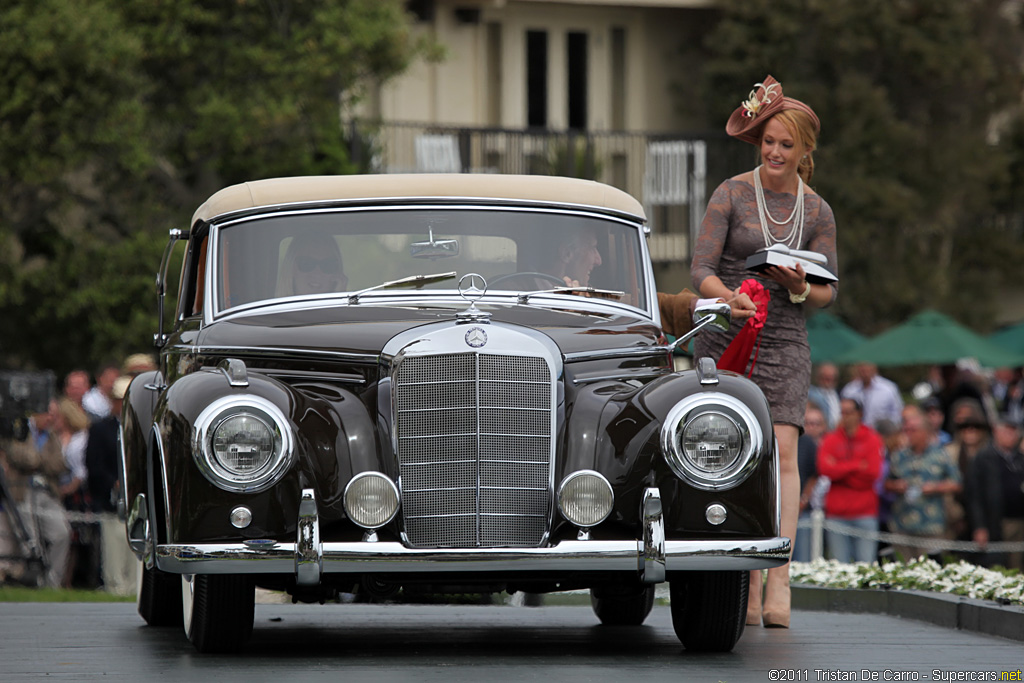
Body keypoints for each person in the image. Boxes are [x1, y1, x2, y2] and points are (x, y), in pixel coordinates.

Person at [690, 75, 837, 628]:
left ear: (804, 151)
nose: (775, 152)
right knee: (734, 452)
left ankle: (779, 583)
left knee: (783, 452)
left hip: (785, 339)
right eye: (769, 141)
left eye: (786, 144)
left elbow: (827, 290)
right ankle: (742, 584)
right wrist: (728, 298)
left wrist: (800, 285)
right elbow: (700, 269)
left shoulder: (818, 210)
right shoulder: (730, 191)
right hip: (728, 329)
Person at [0, 401, 72, 588]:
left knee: (62, 533)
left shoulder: (52, 435)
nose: (51, 419)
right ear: (36, 414)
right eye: (48, 414)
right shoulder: (19, 431)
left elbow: (60, 464)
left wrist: (37, 461)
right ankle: (34, 580)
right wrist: (40, 461)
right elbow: (22, 457)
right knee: (30, 541)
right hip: (21, 492)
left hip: (47, 493)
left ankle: (52, 582)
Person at [885, 405, 961, 561]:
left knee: (930, 571)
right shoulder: (899, 455)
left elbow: (956, 483)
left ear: (925, 432)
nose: (908, 435)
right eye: (906, 430)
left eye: (913, 430)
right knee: (903, 570)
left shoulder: (940, 454)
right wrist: (897, 486)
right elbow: (885, 483)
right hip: (902, 524)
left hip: (930, 525)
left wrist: (936, 488)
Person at [816, 398, 883, 563]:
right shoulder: (831, 439)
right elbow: (824, 469)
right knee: (839, 567)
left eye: (848, 412)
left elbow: (873, 473)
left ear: (859, 414)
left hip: (865, 512)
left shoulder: (872, 439)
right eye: (842, 412)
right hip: (837, 513)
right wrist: (857, 466)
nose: (844, 416)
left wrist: (839, 469)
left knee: (866, 566)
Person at [85, 375, 135, 594]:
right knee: (113, 545)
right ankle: (115, 586)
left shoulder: (140, 428)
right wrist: (113, 483)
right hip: (111, 499)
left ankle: (134, 586)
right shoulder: (100, 429)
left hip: (136, 498)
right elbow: (93, 465)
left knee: (135, 546)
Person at [969, 419, 1024, 570]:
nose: (1010, 435)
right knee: (996, 566)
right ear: (996, 432)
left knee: (1017, 565)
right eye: (1006, 431)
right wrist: (979, 526)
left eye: (1013, 432)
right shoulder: (983, 458)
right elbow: (974, 496)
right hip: (994, 523)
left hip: (1019, 521)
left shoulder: (1019, 458)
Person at [794, 404, 826, 562]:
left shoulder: (807, 443)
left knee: (802, 559)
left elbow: (815, 474)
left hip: (803, 510)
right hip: (777, 512)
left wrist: (803, 500)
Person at [276, 232, 347, 297]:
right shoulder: (272, 310)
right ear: (291, 269)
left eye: (327, 265)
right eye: (307, 264)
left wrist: (339, 300)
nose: (317, 274)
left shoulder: (351, 310)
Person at [841, 362, 904, 430]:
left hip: (882, 434)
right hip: (856, 435)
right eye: (862, 368)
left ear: (874, 368)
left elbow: (898, 414)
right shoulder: (849, 390)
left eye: (867, 367)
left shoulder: (888, 389)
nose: (864, 371)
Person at [808, 362, 842, 431]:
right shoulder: (812, 394)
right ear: (819, 378)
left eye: (831, 378)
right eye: (826, 378)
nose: (828, 381)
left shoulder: (838, 394)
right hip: (820, 431)